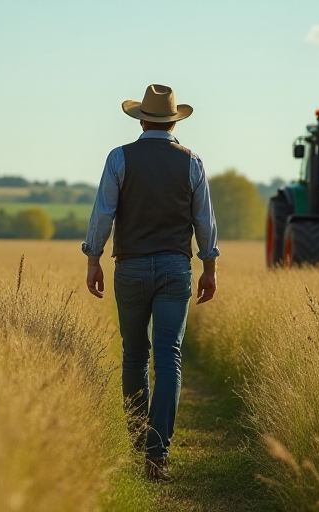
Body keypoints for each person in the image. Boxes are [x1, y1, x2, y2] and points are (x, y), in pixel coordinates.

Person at [81, 84, 219, 481]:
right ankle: (157, 455)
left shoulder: (119, 158)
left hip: (131, 269)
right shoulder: (192, 161)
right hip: (176, 269)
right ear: (174, 121)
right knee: (168, 359)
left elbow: (103, 213)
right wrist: (209, 269)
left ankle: (137, 441)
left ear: (142, 120)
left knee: (134, 355)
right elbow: (204, 221)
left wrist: (94, 259)